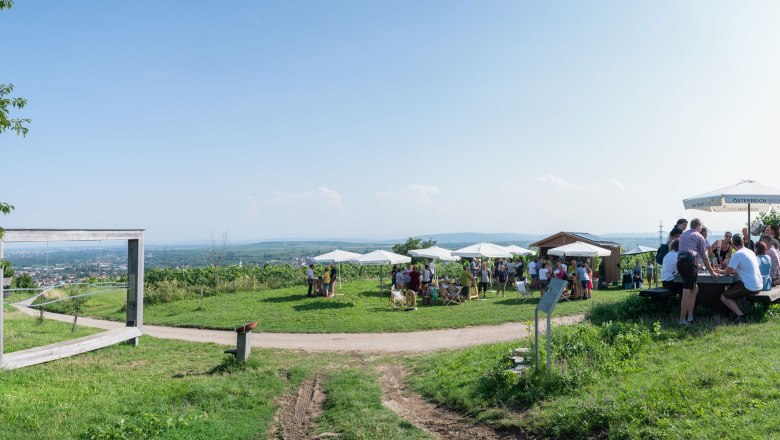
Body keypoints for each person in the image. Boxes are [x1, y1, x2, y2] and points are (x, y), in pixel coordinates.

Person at [677, 218, 719, 326]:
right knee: (687, 291)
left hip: (680, 262)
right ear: (699, 226)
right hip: (690, 262)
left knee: (694, 289)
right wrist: (712, 273)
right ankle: (682, 320)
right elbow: (705, 258)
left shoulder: (683, 234)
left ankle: (690, 317)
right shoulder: (699, 236)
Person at [721, 234, 762, 322]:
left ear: (732, 244)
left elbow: (727, 273)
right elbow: (743, 268)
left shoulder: (737, 254)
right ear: (742, 242)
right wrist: (723, 271)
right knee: (731, 289)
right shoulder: (750, 252)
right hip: (758, 284)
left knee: (724, 296)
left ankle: (741, 316)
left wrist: (722, 271)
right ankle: (735, 313)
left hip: (750, 286)